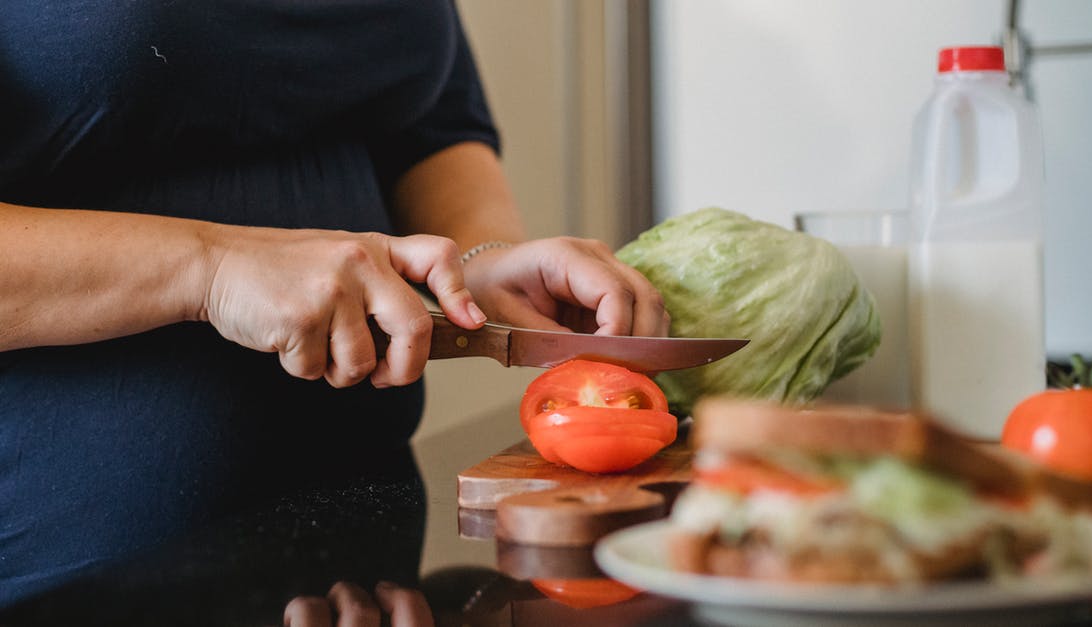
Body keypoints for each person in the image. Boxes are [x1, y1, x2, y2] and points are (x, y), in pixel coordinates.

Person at [0, 0, 667, 607]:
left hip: (369, 548)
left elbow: (430, 121)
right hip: (84, 578)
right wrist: (215, 266)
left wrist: (477, 262)